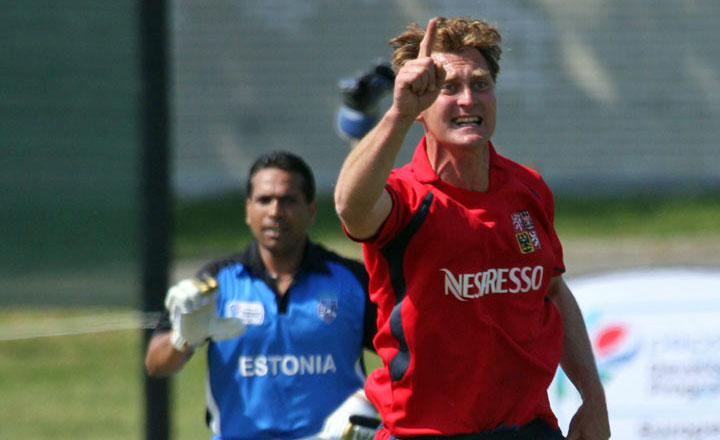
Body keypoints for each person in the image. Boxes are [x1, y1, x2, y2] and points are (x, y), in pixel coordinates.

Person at [333, 17, 610, 440]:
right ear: (422, 107)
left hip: (528, 429)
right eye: (448, 88)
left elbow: (551, 291)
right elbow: (350, 207)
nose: (468, 99)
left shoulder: (527, 189)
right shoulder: (403, 199)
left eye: (480, 84)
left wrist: (592, 397)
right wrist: (399, 112)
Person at [145, 151, 378, 440]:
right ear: (248, 210)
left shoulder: (351, 281)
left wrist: (368, 404)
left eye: (288, 200)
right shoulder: (217, 283)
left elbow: (408, 359)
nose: (275, 212)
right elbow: (156, 365)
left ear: (311, 210)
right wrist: (183, 337)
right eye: (264, 200)